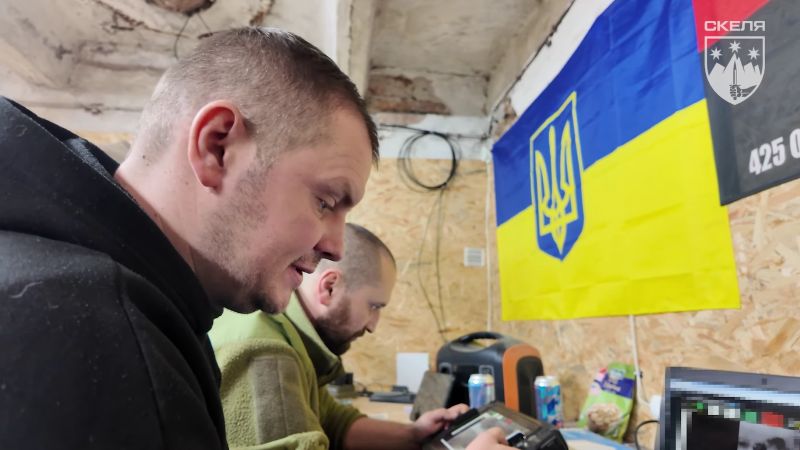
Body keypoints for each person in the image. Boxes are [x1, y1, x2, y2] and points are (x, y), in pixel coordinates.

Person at [0, 27, 377, 449]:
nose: (335, 248)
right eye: (325, 202)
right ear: (217, 147)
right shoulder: (100, 347)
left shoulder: (129, 302)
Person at [210, 223, 511, 450]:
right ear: (330, 287)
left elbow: (334, 423)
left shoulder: (288, 336)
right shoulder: (268, 354)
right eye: (373, 306)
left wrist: (414, 434)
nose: (373, 326)